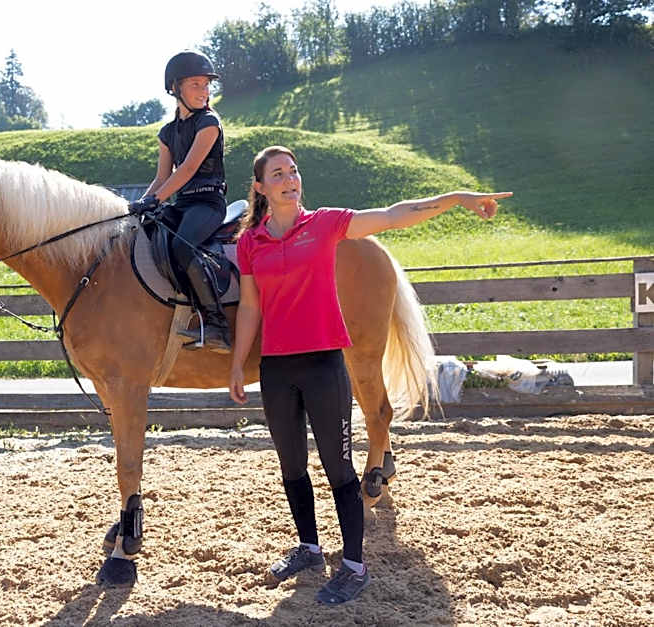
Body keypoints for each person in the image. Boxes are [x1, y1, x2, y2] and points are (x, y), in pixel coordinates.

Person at [229, 145, 511, 605]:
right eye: (277, 173)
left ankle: (354, 566)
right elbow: (250, 306)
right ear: (260, 187)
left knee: (339, 469)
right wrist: (239, 363)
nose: (289, 179)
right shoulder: (250, 242)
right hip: (277, 367)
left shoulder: (324, 224)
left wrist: (456, 197)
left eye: (294, 171)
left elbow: (394, 215)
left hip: (323, 365)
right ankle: (309, 548)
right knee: (292, 466)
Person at [129, 50, 231, 353]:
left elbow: (187, 169)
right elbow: (162, 178)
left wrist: (156, 199)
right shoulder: (167, 133)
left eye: (206, 85)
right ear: (176, 89)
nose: (204, 92)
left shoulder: (209, 123)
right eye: (196, 85)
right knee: (145, 236)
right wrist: (141, 205)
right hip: (182, 204)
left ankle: (217, 324)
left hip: (208, 203)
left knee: (181, 245)